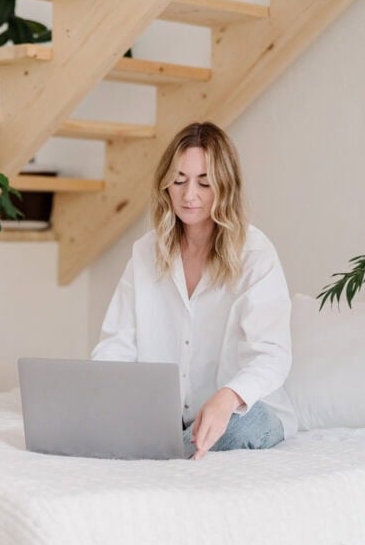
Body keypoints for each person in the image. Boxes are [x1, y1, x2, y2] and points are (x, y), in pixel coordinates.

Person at [92, 122, 296, 460]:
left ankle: (159, 452)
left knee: (239, 426)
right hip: (168, 418)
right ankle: (163, 445)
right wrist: (101, 401)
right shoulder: (145, 252)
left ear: (225, 186)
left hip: (246, 411)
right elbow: (117, 345)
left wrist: (227, 397)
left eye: (204, 182)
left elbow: (273, 355)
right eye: (179, 180)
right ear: (166, 184)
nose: (189, 195)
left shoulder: (255, 253)